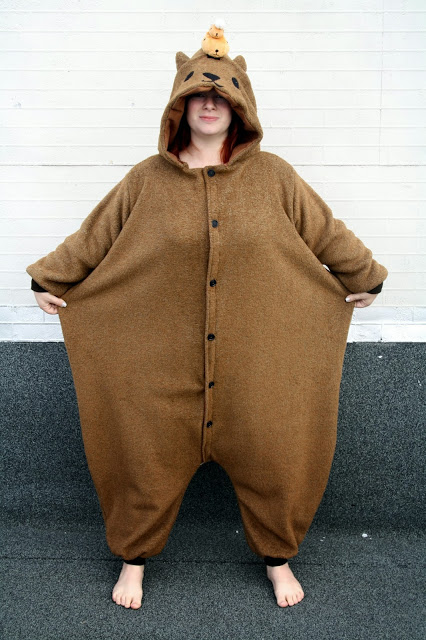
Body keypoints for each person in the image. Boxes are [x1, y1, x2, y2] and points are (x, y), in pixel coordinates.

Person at [27, 23, 388, 611]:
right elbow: (96, 235)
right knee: (144, 456)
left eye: (222, 95)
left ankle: (278, 559)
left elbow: (324, 231)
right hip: (162, 363)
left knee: (275, 453)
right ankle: (133, 562)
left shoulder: (274, 177)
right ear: (180, 107)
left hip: (256, 359)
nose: (210, 104)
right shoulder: (146, 179)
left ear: (241, 107)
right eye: (197, 94)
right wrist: (50, 278)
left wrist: (363, 275)